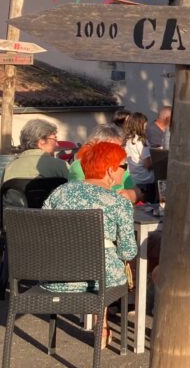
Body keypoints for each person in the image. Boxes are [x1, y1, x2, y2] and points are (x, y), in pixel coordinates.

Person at [41, 141, 137, 348]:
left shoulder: (59, 193)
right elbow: (128, 251)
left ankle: (99, 325)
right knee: (107, 263)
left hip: (55, 276)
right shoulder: (118, 202)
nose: (125, 171)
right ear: (111, 171)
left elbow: (43, 230)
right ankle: (101, 326)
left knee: (99, 259)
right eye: (124, 167)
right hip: (97, 281)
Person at [67, 124, 140, 203]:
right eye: (111, 148)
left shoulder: (119, 165)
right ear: (97, 146)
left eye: (119, 148)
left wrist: (130, 194)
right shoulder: (79, 165)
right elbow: (77, 195)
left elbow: (136, 190)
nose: (118, 153)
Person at [123, 113, 155, 203]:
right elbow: (147, 164)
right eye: (145, 124)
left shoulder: (126, 140)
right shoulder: (141, 141)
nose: (146, 127)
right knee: (147, 208)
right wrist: (157, 160)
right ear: (140, 125)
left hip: (132, 179)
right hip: (145, 180)